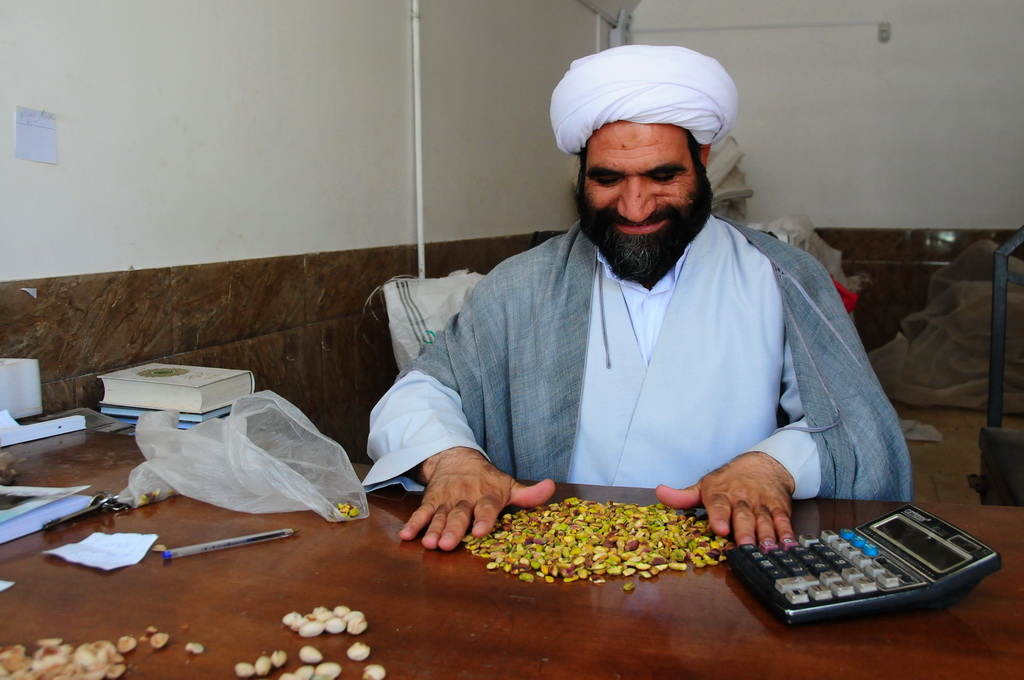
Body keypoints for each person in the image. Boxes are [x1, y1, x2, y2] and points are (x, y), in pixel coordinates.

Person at [364, 44, 912, 552]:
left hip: (735, 563)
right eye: (608, 179)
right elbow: (421, 390)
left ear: (702, 159)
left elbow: (856, 427)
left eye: (662, 175)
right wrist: (453, 459)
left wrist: (773, 466)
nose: (634, 206)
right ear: (581, 174)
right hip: (555, 569)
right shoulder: (520, 285)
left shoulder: (781, 276)